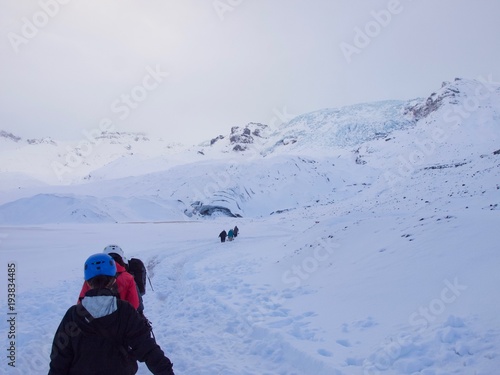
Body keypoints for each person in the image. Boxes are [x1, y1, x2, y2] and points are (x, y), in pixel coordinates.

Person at [48, 253, 175, 375]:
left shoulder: (73, 315)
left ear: (87, 282)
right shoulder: (125, 311)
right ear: (114, 280)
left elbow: (59, 360)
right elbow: (148, 349)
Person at [78, 245, 140, 312]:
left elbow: (81, 303)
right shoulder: (127, 277)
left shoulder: (91, 277)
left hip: (93, 318)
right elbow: (134, 304)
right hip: (122, 316)